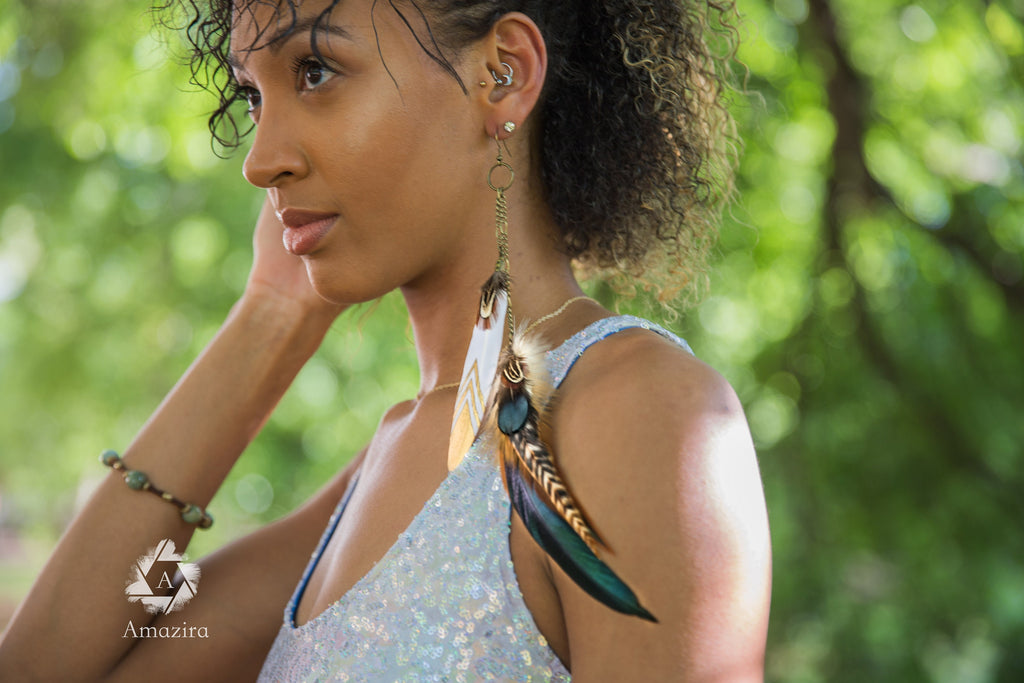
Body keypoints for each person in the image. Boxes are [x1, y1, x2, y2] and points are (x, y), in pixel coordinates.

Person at [0, 0, 771, 680]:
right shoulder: (383, 466)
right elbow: (48, 666)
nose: (261, 160)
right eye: (253, 94)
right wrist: (270, 315)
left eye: (315, 71)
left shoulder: (637, 410)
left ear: (502, 74)